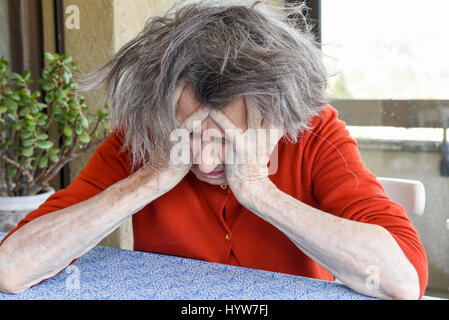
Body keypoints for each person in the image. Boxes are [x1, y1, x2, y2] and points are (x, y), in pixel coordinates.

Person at [0, 0, 427, 299]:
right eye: (189, 137)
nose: (203, 163)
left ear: (279, 115)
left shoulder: (315, 134)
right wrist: (149, 178)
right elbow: (12, 269)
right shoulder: (147, 136)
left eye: (227, 140)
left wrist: (259, 190)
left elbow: (402, 281)